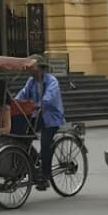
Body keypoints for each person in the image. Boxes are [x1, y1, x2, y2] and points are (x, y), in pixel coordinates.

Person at [15, 55, 65, 191]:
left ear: (40, 67)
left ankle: (45, 175)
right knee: (23, 137)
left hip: (52, 118)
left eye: (32, 66)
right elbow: (23, 94)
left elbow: (49, 97)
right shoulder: (31, 81)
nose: (29, 69)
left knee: (45, 143)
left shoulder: (52, 81)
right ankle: (32, 161)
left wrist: (38, 104)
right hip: (37, 115)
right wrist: (14, 103)